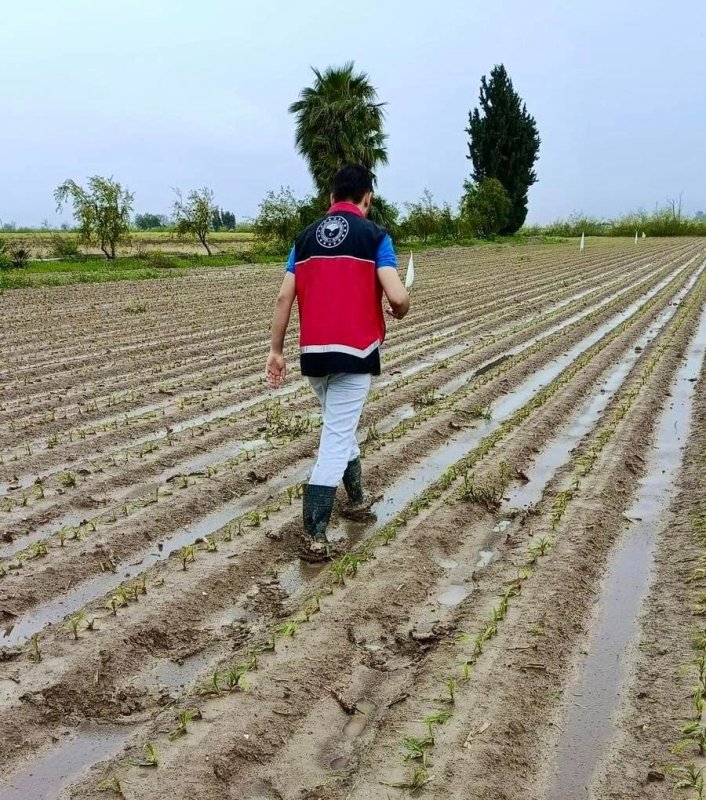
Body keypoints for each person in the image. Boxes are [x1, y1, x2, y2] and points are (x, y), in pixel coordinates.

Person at [265, 164, 410, 558]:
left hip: (313, 357)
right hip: (355, 355)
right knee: (334, 440)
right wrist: (402, 307)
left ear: (331, 197)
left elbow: (284, 297)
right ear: (368, 199)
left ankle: (358, 498)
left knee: (339, 428)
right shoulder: (375, 236)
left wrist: (276, 351)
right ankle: (314, 535)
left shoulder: (303, 239)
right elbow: (397, 297)